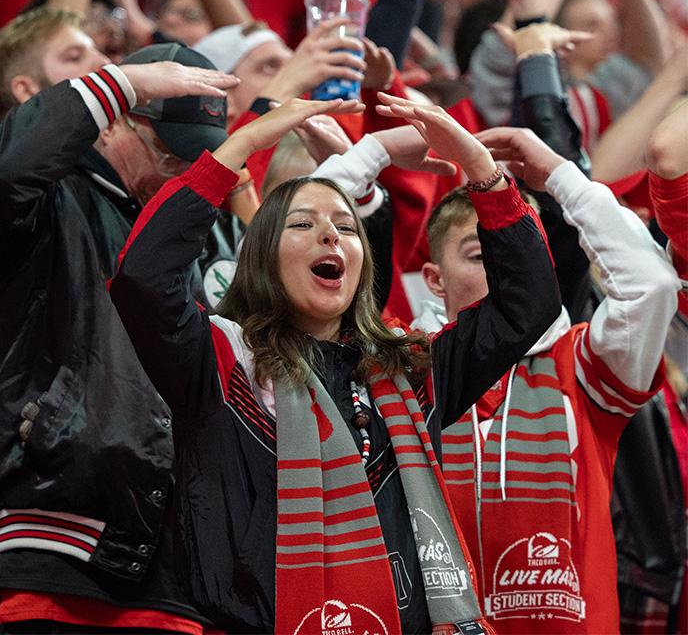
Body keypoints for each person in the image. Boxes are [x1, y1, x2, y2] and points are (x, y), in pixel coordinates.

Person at [109, 93, 561, 633]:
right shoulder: (222, 362)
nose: (331, 235)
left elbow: (527, 303)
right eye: (302, 225)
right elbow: (142, 279)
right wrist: (244, 145)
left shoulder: (413, 368)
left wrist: (482, 172)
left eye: (346, 228)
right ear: (260, 258)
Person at [0, 42, 240, 633]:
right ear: (115, 124)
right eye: (173, 155)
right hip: (55, 539)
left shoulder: (187, 227)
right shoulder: (49, 198)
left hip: (176, 559)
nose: (186, 174)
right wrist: (119, 81)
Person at [426, 125, 679, 634]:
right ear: (435, 278)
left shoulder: (582, 364)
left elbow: (651, 286)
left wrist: (561, 176)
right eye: (480, 257)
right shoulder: (410, 370)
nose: (506, 273)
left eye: (522, 258)